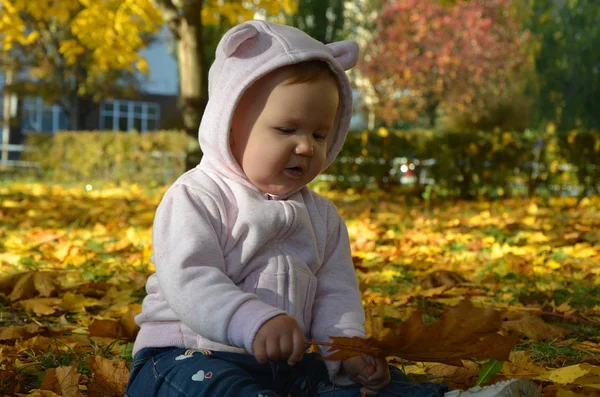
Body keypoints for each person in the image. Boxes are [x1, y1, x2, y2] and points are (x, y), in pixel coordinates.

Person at [125, 20, 540, 397]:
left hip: (281, 365)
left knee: (366, 385)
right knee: (217, 388)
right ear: (229, 123)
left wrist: (346, 349)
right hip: (185, 356)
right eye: (287, 129)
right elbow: (189, 279)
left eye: (321, 134)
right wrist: (252, 320)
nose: (306, 146)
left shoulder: (322, 216)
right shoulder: (196, 197)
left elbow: (336, 294)